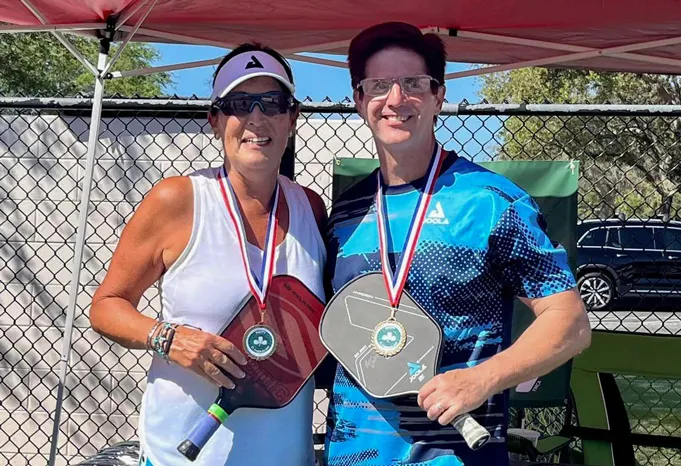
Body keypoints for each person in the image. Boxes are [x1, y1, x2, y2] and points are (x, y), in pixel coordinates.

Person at [323, 22, 592, 466]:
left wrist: (480, 380)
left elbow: (570, 324)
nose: (395, 100)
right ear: (359, 100)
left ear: (438, 96)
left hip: (457, 455)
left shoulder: (492, 201)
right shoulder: (343, 217)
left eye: (412, 83)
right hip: (350, 455)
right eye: (378, 85)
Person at [90, 43, 327, 466]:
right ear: (215, 120)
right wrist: (168, 338)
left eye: (272, 102)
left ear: (292, 118)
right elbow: (106, 306)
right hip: (182, 456)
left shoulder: (310, 207)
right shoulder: (177, 199)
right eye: (240, 103)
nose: (256, 118)